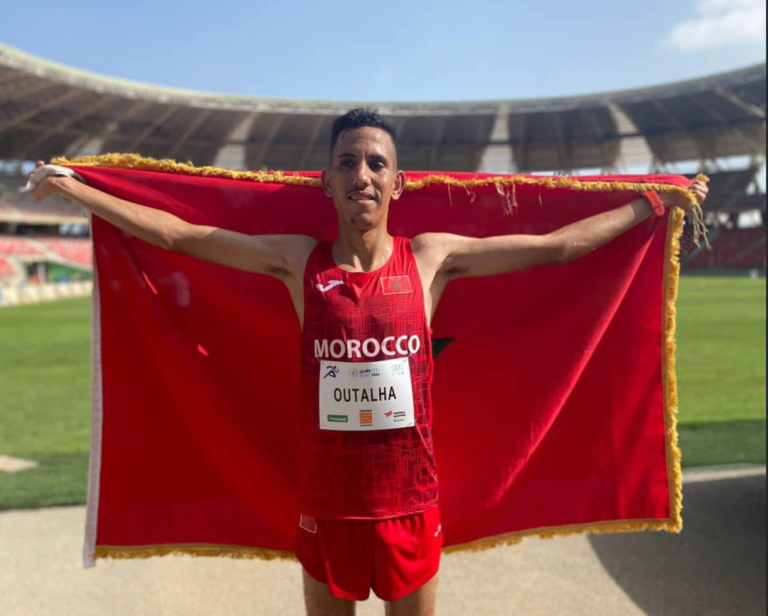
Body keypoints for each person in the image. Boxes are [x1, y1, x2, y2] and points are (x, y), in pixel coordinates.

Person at [29, 108, 708, 616]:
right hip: (327, 509)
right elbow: (180, 234)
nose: (363, 175)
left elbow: (556, 247)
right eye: (349, 163)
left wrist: (649, 204)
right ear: (327, 180)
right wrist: (77, 191)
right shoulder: (297, 260)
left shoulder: (432, 257)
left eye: (376, 164)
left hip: (410, 507)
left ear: (398, 182)